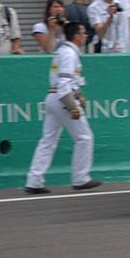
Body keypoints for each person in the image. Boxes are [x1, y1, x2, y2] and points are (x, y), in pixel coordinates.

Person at [24, 21, 103, 194]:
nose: (86, 36)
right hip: (62, 99)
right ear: (76, 36)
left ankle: (34, 181)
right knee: (84, 137)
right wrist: (71, 105)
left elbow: (69, 79)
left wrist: (79, 94)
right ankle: (81, 178)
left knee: (48, 141)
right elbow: (65, 81)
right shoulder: (69, 54)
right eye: (83, 33)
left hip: (52, 98)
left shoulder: (62, 51)